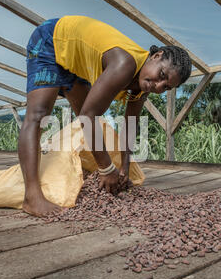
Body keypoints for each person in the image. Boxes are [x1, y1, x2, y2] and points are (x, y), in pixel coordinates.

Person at [18, 15, 192, 217]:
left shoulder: (142, 86)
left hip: (76, 64)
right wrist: (107, 168)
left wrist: (124, 168)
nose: (159, 86)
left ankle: (87, 174)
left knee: (88, 119)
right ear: (156, 56)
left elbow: (130, 124)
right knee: (39, 115)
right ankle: (31, 197)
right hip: (51, 40)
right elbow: (87, 117)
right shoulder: (125, 64)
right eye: (162, 75)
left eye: (167, 87)